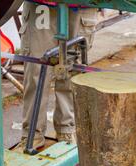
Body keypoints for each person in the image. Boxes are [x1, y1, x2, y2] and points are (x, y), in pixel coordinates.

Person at [18, 0, 98, 149]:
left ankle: (66, 129)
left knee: (73, 72)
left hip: (83, 6)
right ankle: (32, 134)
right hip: (42, 6)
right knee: (36, 71)